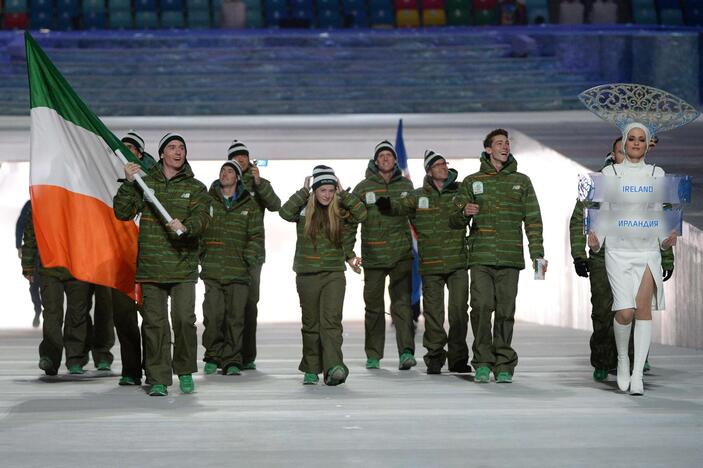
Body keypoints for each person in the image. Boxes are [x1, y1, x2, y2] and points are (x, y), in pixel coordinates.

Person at [114, 132, 211, 396]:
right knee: (154, 324)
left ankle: (186, 370)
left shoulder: (196, 187)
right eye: (172, 147)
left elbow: (204, 219)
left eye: (182, 147)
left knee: (183, 321)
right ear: (161, 154)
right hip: (151, 268)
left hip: (183, 267)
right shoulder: (145, 183)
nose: (178, 152)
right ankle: (158, 377)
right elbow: (121, 212)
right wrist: (129, 182)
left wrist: (187, 226)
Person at [570, 137, 673, 382]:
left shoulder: (649, 179)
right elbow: (578, 218)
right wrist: (579, 254)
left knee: (638, 309)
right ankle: (604, 361)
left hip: (638, 252)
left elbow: (661, 219)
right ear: (614, 153)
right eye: (619, 151)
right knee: (604, 311)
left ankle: (637, 359)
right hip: (602, 256)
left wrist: (667, 258)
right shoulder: (599, 182)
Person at [454, 129, 545, 384]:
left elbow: (534, 221)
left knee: (506, 311)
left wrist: (538, 255)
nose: (505, 147)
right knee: (482, 308)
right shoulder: (472, 181)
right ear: (487, 149)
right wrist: (464, 212)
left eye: (507, 143)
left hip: (510, 257)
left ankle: (504, 363)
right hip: (481, 256)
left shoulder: (522, 181)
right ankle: (483, 361)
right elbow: (453, 215)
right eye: (499, 143)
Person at [378, 150, 470, 375]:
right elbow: (399, 206)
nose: (443, 167)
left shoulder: (460, 192)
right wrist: (386, 205)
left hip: (458, 261)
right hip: (432, 264)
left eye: (444, 164)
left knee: (459, 311)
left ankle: (458, 358)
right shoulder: (418, 196)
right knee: (433, 313)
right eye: (438, 165)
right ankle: (435, 357)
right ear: (429, 171)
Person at [279, 165, 367, 386]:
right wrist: (303, 191)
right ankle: (311, 368)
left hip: (333, 273)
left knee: (331, 322)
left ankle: (334, 367)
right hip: (306, 274)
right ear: (315, 191)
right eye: (322, 190)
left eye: (330, 190)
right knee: (311, 324)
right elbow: (283, 212)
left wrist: (343, 193)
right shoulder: (302, 210)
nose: (327, 195)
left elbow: (362, 213)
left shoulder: (340, 209)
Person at [347, 140, 416, 371]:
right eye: (382, 156)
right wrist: (349, 253)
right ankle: (373, 355)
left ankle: (406, 352)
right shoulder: (363, 187)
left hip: (401, 256)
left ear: (395, 160)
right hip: (374, 257)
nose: (386, 159)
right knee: (373, 308)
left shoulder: (406, 187)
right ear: (376, 161)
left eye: (390, 155)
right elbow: (350, 222)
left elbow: (419, 219)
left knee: (402, 306)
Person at [200, 160, 263, 376]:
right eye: (222, 171)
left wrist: (248, 257)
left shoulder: (249, 205)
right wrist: (202, 255)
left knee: (236, 318)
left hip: (239, 271)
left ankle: (232, 359)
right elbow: (199, 229)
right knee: (213, 316)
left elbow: (256, 235)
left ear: (237, 177)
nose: (225, 174)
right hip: (213, 269)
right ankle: (213, 355)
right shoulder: (207, 201)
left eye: (229, 171)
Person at [22, 203, 93, 376]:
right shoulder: (42, 197)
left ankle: (75, 358)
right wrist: (28, 264)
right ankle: (50, 358)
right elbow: (31, 232)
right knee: (52, 313)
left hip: (79, 266)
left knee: (77, 314)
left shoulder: (82, 196)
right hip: (50, 265)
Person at [227, 140, 281, 371]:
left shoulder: (260, 183)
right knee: (227, 307)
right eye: (236, 155)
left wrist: (259, 184)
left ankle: (247, 355)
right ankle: (225, 355)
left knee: (249, 305)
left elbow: (276, 205)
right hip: (226, 255)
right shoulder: (224, 181)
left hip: (253, 256)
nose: (241, 159)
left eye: (244, 155)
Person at [16, 200, 42, 328]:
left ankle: (44, 313)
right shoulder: (31, 204)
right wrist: (19, 246)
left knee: (45, 287)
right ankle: (38, 310)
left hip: (48, 256)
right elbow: (21, 225)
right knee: (34, 286)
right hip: (35, 254)